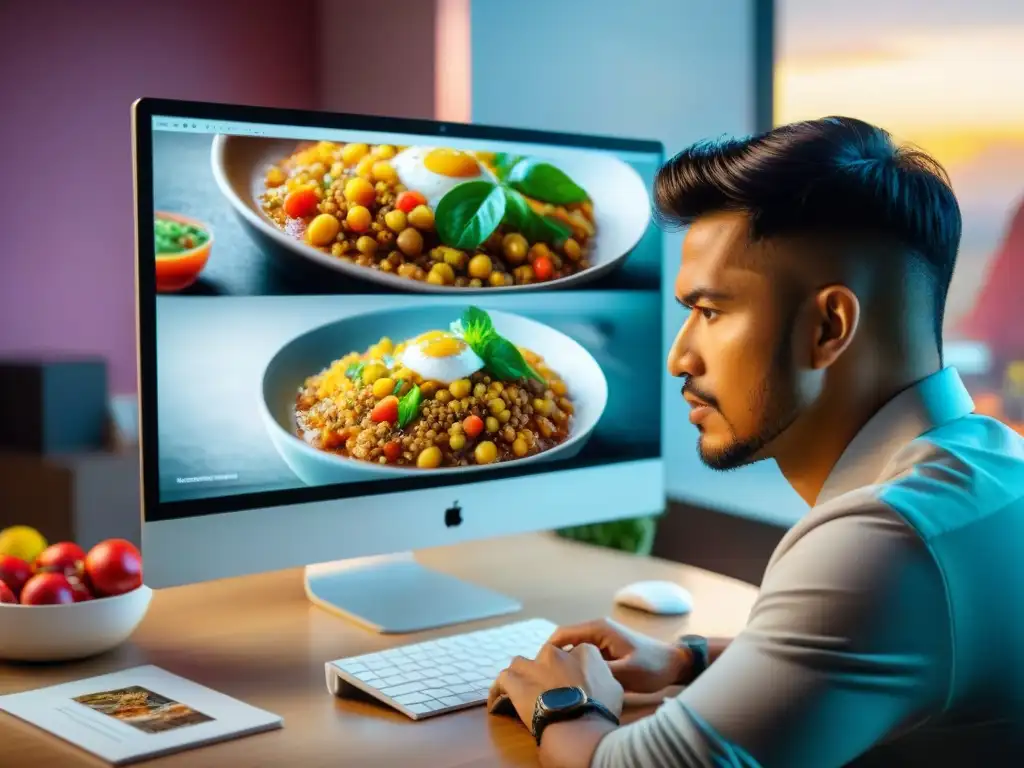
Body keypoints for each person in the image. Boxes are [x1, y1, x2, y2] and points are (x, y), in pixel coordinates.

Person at [487, 116, 1024, 767]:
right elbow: (885, 644)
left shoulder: (884, 539)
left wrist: (565, 703)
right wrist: (690, 657)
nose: (680, 357)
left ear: (829, 327)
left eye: (710, 312)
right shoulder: (994, 467)